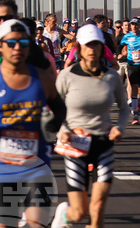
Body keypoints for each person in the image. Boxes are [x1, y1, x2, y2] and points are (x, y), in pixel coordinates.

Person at [0, 19, 64, 228]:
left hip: (36, 161)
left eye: (23, 43)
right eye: (11, 43)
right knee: (7, 223)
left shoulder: (42, 79)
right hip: (1, 163)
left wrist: (54, 122)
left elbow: (61, 109)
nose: (17, 48)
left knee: (37, 221)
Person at [51, 24, 129, 228]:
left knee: (98, 209)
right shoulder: (67, 76)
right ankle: (65, 216)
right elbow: (52, 108)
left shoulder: (111, 77)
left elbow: (123, 108)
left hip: (103, 144)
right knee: (79, 213)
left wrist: (119, 127)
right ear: (79, 48)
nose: (92, 49)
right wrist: (62, 130)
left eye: (96, 44)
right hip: (76, 145)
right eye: (87, 45)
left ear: (103, 47)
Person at [118, 18, 140, 125]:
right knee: (134, 87)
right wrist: (119, 53)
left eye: (136, 25)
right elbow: (120, 45)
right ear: (130, 26)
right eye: (132, 25)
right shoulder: (127, 36)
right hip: (132, 65)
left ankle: (137, 108)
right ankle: (135, 114)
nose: (134, 27)